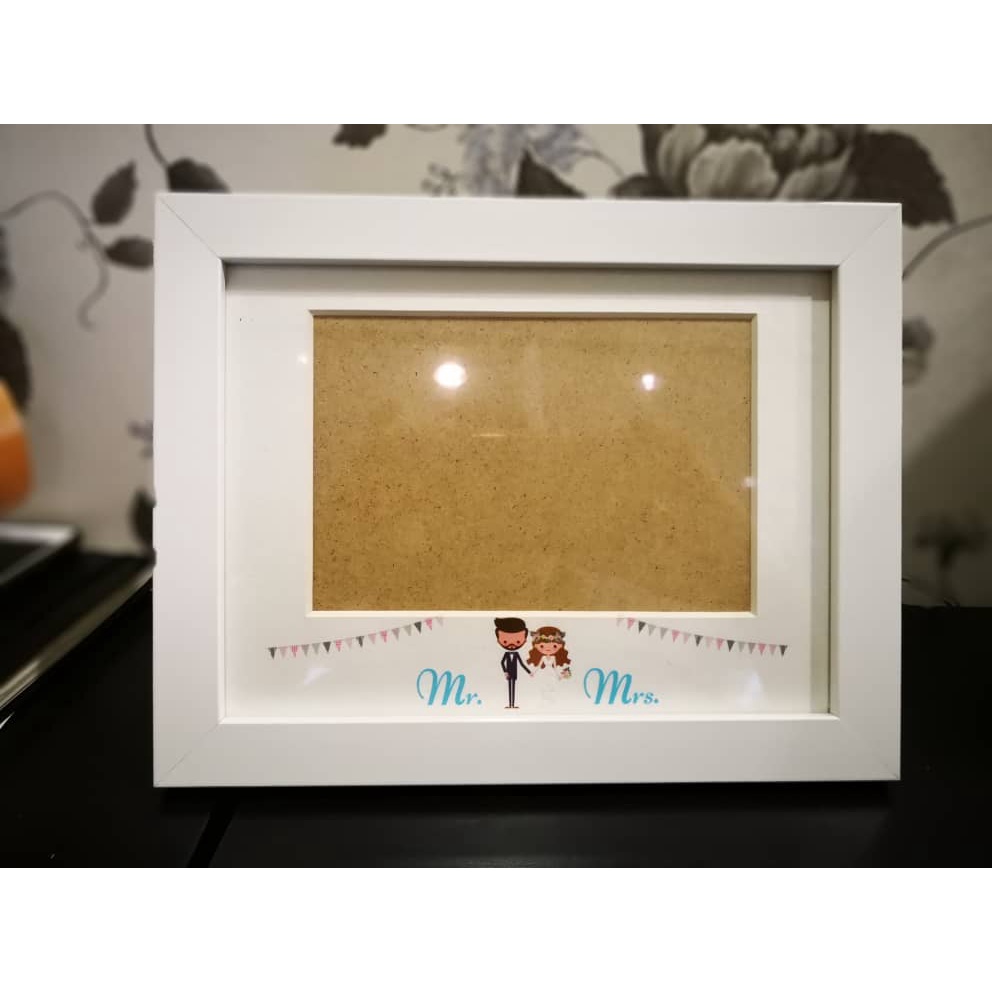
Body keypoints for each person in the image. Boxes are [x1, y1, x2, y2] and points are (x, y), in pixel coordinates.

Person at [495, 617, 532, 709]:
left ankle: (513, 704)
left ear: (525, 639)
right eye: (505, 641)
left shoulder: (517, 654)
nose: (511, 645)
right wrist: (505, 672)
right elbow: (502, 663)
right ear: (498, 640)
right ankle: (509, 704)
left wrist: (529, 672)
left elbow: (521, 664)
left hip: (514, 674)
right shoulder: (506, 654)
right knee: (509, 688)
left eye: (518, 641)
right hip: (508, 674)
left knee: (514, 688)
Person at [527, 626, 572, 703]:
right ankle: (544, 698)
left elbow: (555, 667)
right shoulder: (543, 657)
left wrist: (558, 675)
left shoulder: (553, 657)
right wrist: (533, 672)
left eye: (554, 646)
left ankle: (551, 699)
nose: (548, 649)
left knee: (551, 684)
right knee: (544, 684)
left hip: (551, 672)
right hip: (545, 672)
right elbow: (539, 666)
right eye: (542, 646)